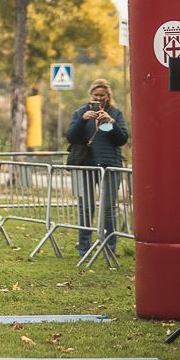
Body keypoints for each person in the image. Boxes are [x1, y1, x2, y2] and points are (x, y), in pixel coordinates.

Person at [65, 79, 128, 257]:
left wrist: (111, 122)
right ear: (90, 96)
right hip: (85, 165)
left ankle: (109, 247)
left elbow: (122, 139)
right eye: (96, 96)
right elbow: (71, 137)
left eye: (102, 95)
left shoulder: (115, 113)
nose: (99, 99)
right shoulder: (81, 113)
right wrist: (82, 121)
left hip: (110, 166)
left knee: (109, 208)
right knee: (86, 207)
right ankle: (84, 248)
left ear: (108, 97)